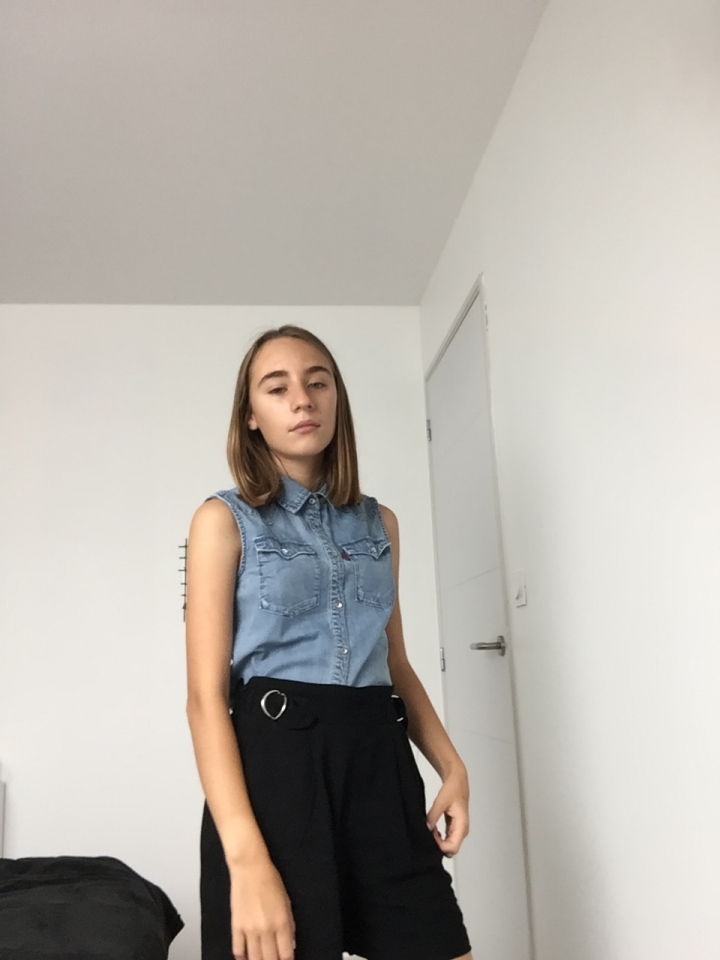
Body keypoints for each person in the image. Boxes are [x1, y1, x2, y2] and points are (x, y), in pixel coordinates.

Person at [185, 325, 473, 960]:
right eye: (277, 387)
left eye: (318, 382)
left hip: (380, 767)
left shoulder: (380, 523)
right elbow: (205, 699)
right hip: (276, 776)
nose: (302, 399)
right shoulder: (222, 521)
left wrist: (451, 765)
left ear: (336, 399)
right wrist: (246, 859)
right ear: (251, 415)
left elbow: (394, 663)